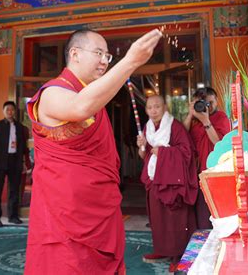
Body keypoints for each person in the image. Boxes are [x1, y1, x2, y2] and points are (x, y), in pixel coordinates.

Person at [24, 28, 162, 274]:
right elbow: (79, 108)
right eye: (98, 53)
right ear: (75, 54)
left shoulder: (92, 97)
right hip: (64, 214)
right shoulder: (52, 92)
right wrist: (130, 61)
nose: (104, 61)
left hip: (98, 205)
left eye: (107, 56)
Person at [137, 95, 197, 272]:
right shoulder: (148, 128)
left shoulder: (175, 126)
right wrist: (141, 146)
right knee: (158, 218)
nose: (153, 110)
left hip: (172, 182)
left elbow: (186, 152)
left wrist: (162, 153)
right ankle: (162, 250)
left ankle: (178, 254)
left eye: (157, 106)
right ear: (146, 110)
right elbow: (146, 156)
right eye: (150, 107)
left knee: (174, 219)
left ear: (164, 107)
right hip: (155, 179)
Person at [183, 87, 231, 229]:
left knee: (216, 210)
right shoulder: (194, 119)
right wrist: (191, 115)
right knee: (201, 212)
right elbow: (181, 137)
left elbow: (219, 144)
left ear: (217, 101)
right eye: (204, 103)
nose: (208, 107)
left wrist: (206, 122)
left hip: (215, 170)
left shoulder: (221, 118)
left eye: (211, 102)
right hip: (197, 171)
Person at [0, 101, 31, 227]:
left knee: (14, 190)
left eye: (12, 110)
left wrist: (23, 163)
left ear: (15, 111)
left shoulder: (20, 127)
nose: (10, 112)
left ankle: (13, 216)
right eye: (7, 109)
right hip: (0, 161)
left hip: (15, 161)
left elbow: (23, 148)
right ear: (3, 111)